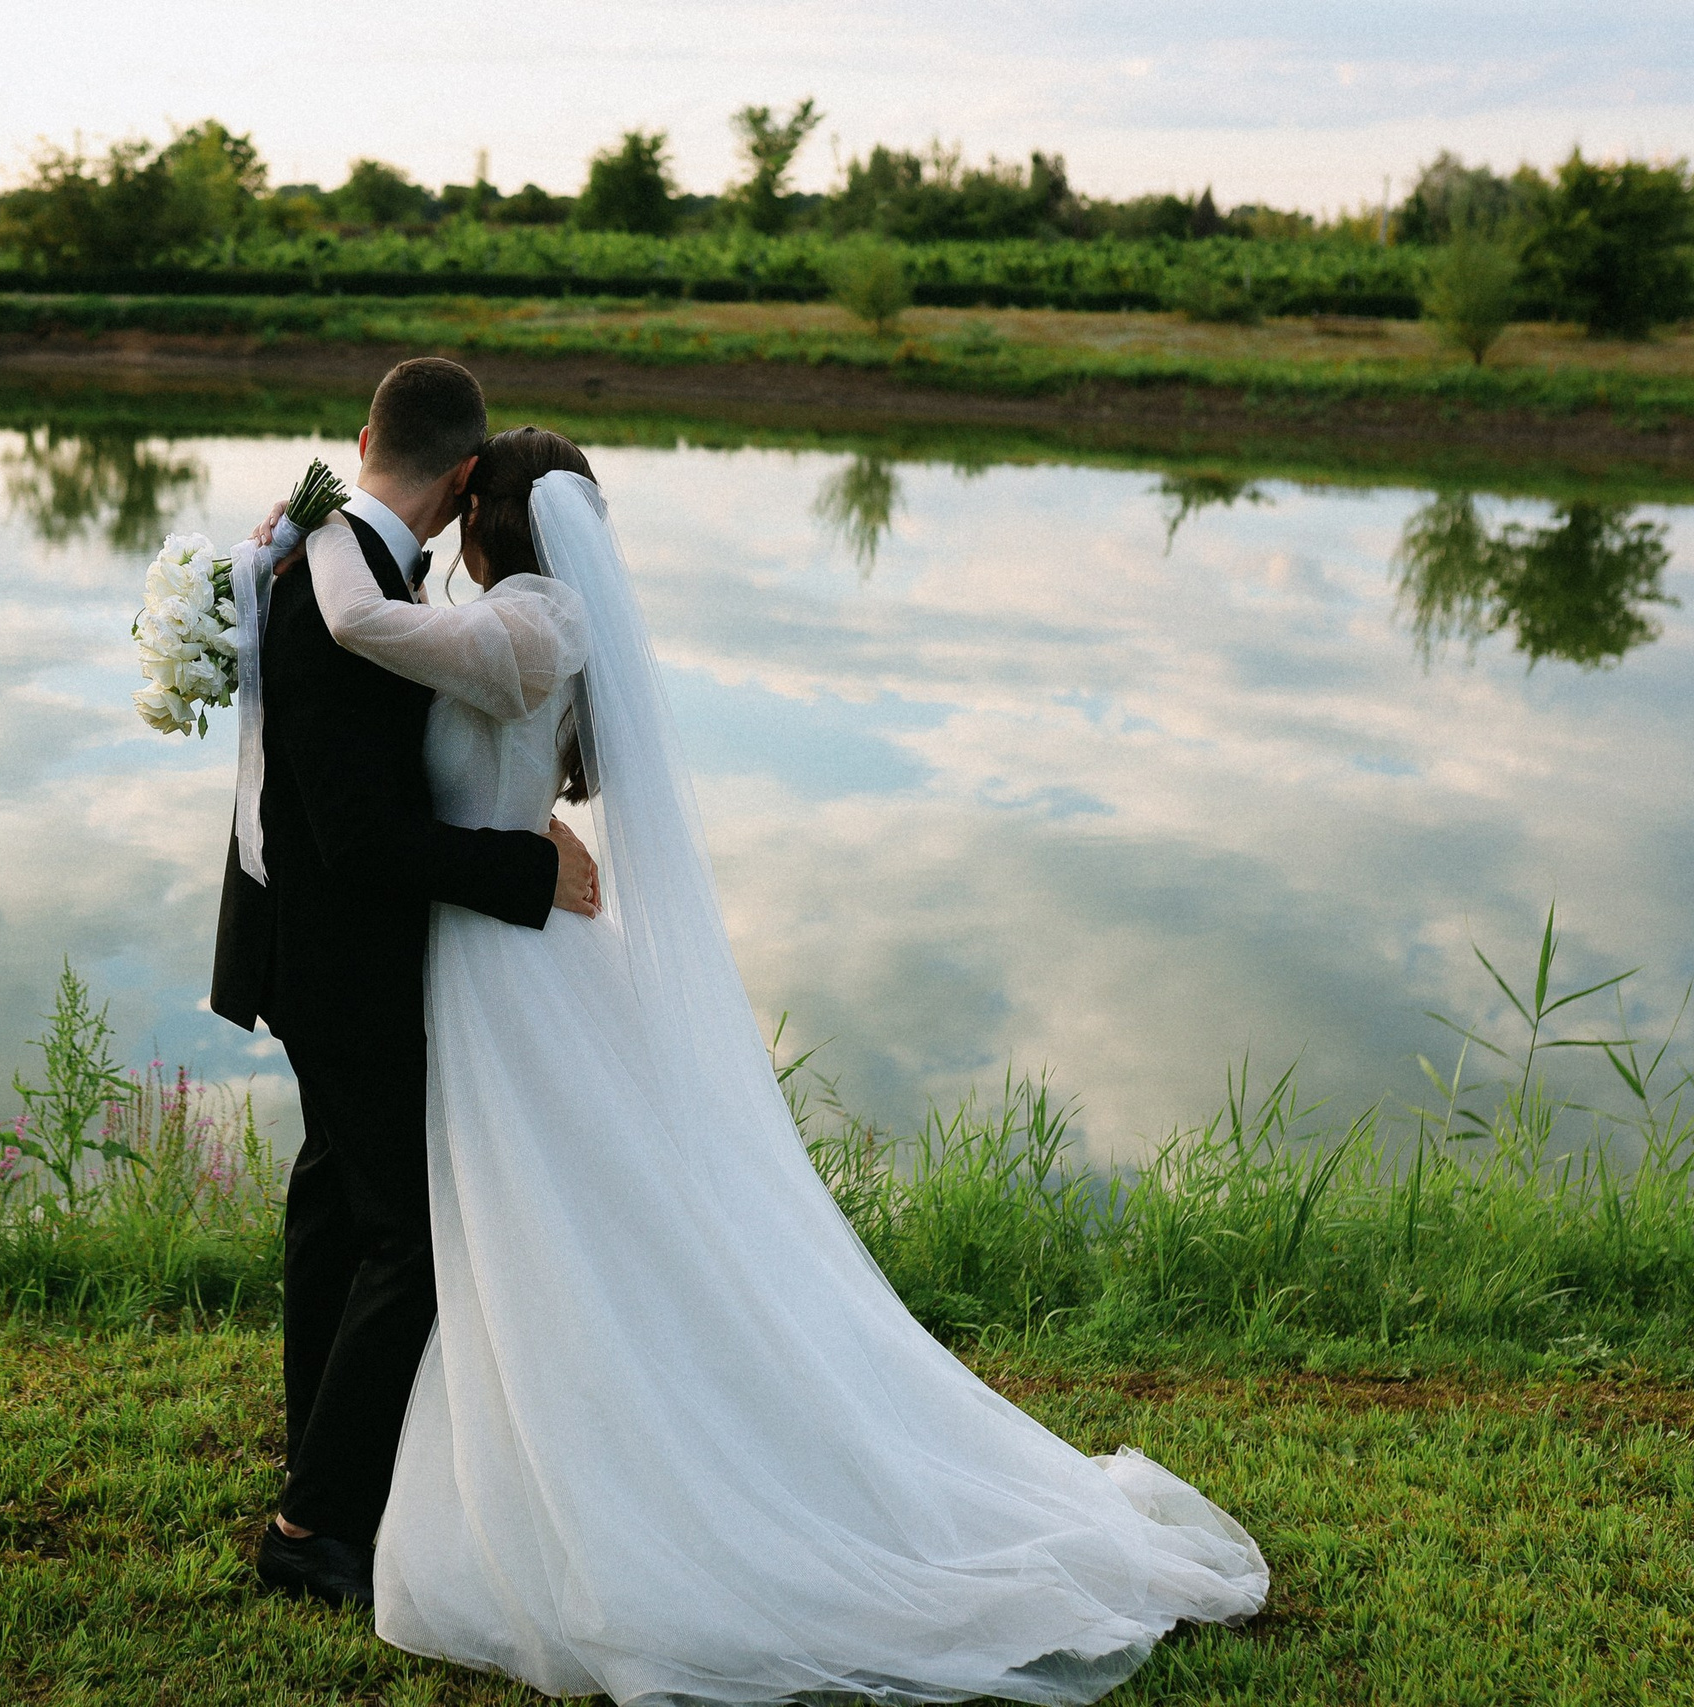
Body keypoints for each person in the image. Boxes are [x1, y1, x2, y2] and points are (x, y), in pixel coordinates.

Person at [291, 424, 1269, 1705]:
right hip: (486, 951)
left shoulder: (532, 626)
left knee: (550, 1221)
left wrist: (312, 529)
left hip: (509, 967)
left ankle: (611, 1463)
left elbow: (368, 630)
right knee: (533, 1221)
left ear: (483, 503)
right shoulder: (510, 607)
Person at [209, 361, 600, 1608]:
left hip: (308, 941)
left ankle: (317, 1475)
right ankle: (316, 1525)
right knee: (409, 1241)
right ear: (466, 473)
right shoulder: (343, 581)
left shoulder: (337, 564)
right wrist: (526, 866)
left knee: (336, 1205)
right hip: (346, 956)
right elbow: (367, 839)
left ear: (365, 434)